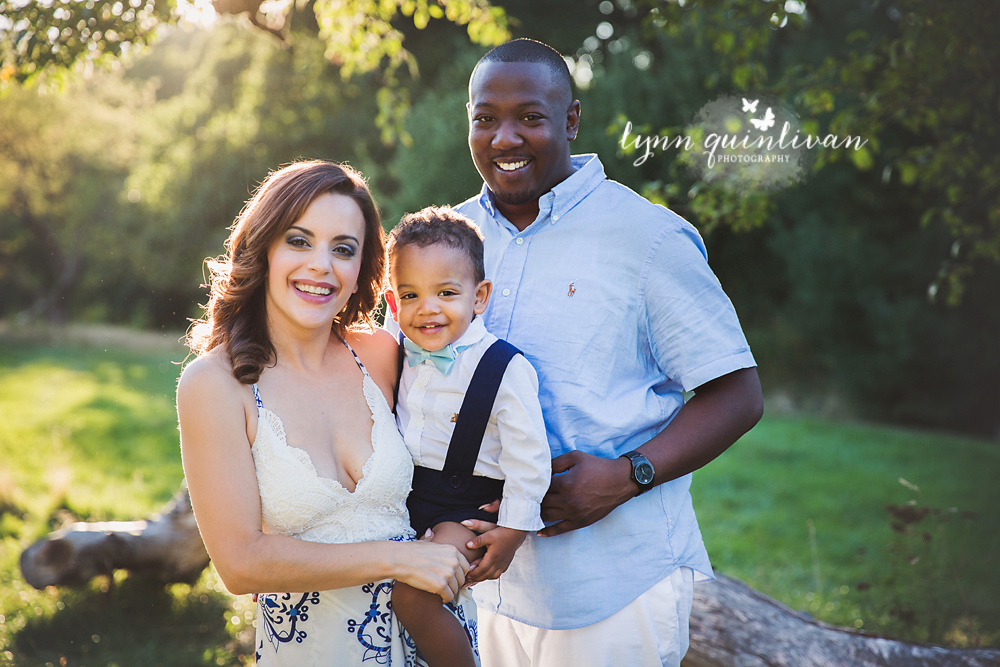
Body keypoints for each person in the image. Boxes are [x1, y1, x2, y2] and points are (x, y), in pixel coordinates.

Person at [454, 39, 765, 666]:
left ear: (571, 119)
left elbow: (738, 394)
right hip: (483, 586)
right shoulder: (451, 238)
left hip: (615, 587)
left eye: (530, 117)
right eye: (485, 118)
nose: (504, 138)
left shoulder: (647, 238)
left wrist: (627, 476)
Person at [176, 160, 476, 666]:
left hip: (430, 639)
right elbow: (241, 564)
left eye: (343, 249)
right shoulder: (215, 384)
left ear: (361, 268)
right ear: (264, 247)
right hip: (314, 649)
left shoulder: (380, 353)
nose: (322, 265)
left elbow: (451, 454)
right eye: (299, 240)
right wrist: (400, 558)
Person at [383, 206, 551, 667]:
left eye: (446, 292)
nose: (428, 308)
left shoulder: (504, 367)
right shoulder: (394, 353)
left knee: (413, 598)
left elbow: (529, 459)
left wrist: (514, 530)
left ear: (479, 298)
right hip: (405, 499)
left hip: (466, 509)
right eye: (411, 294)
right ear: (393, 302)